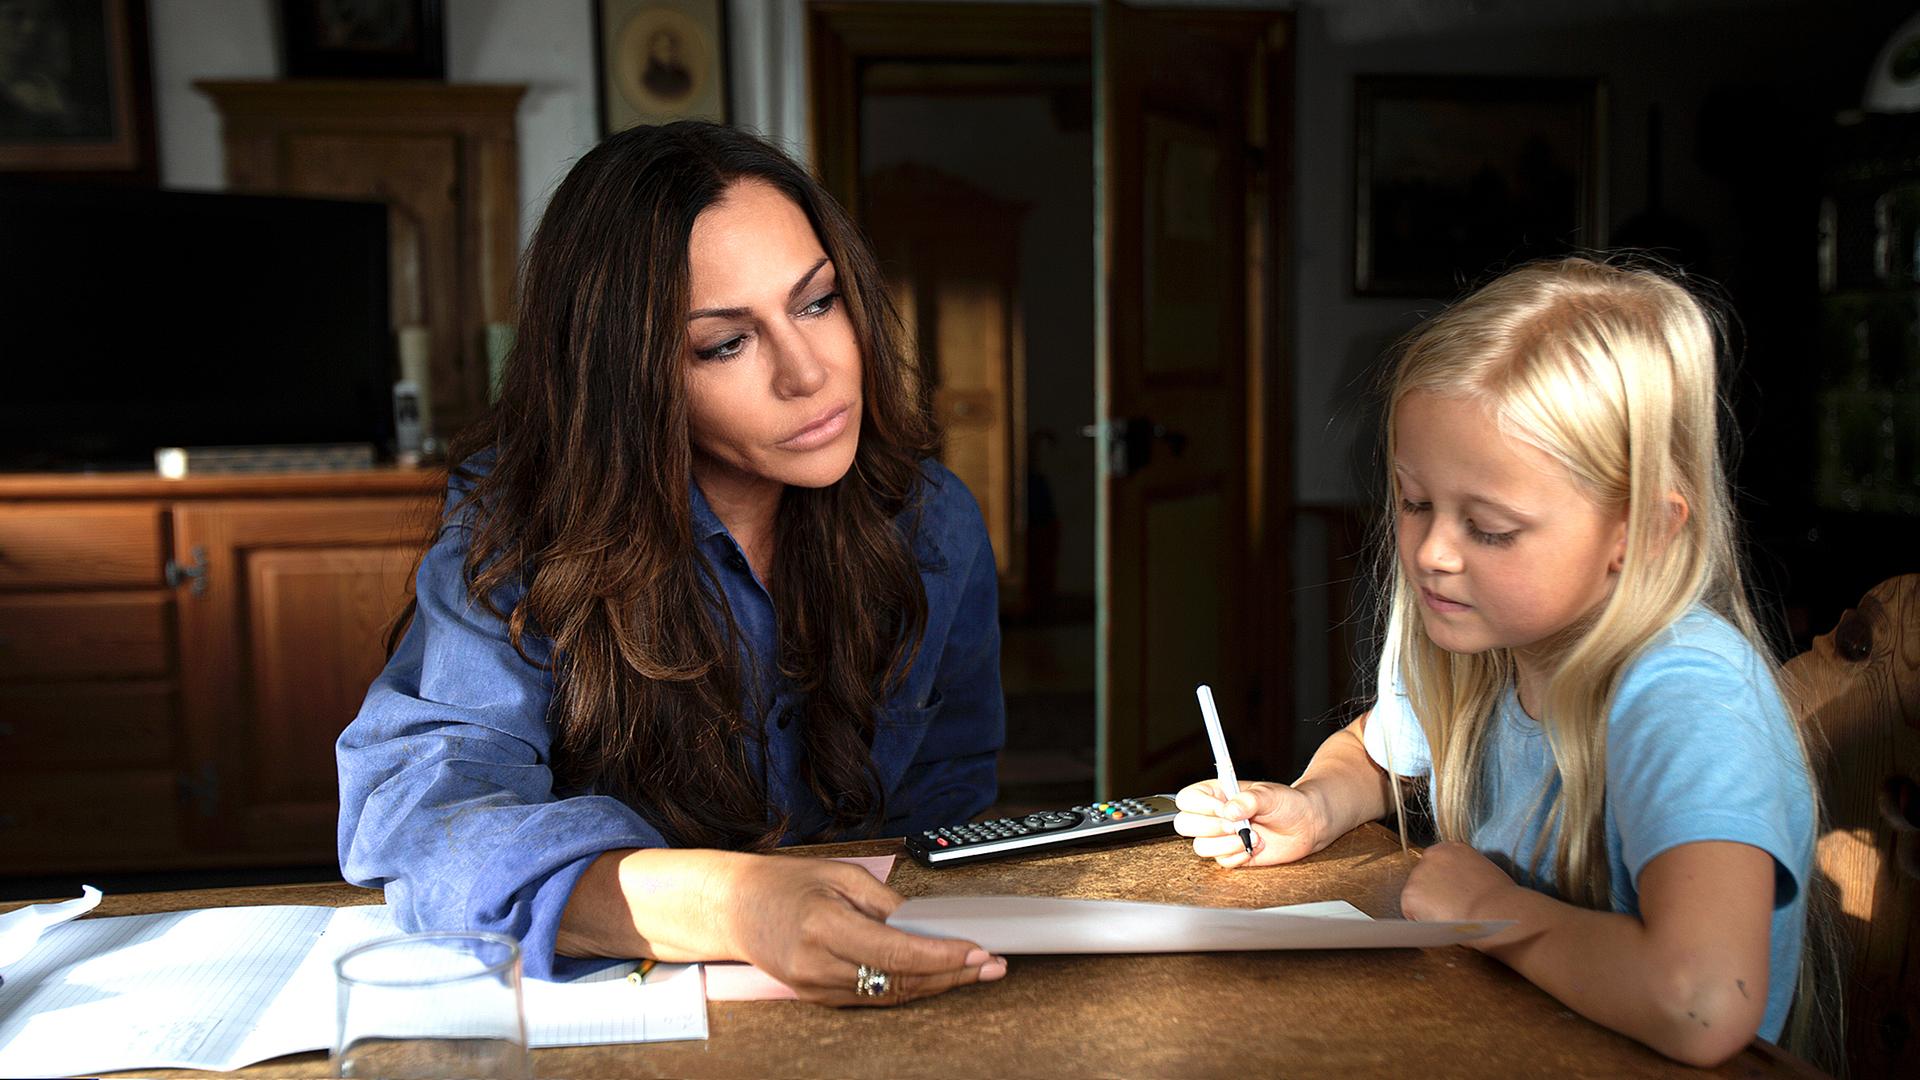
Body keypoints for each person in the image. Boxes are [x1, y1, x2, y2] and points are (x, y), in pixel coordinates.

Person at [337, 121, 1009, 1006]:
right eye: (724, 344)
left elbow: (949, 806)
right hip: (626, 1011)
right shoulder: (521, 536)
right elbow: (427, 820)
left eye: (816, 302)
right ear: (626, 378)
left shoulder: (934, 521)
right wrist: (732, 905)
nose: (809, 373)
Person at [1175, 258, 1828, 1066]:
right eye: (1415, 503)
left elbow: (1700, 1004)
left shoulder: (1687, 693)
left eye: (1490, 527)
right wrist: (1312, 805)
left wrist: (1493, 911)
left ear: (1644, 532)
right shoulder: (1485, 644)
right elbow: (1376, 756)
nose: (1433, 553)